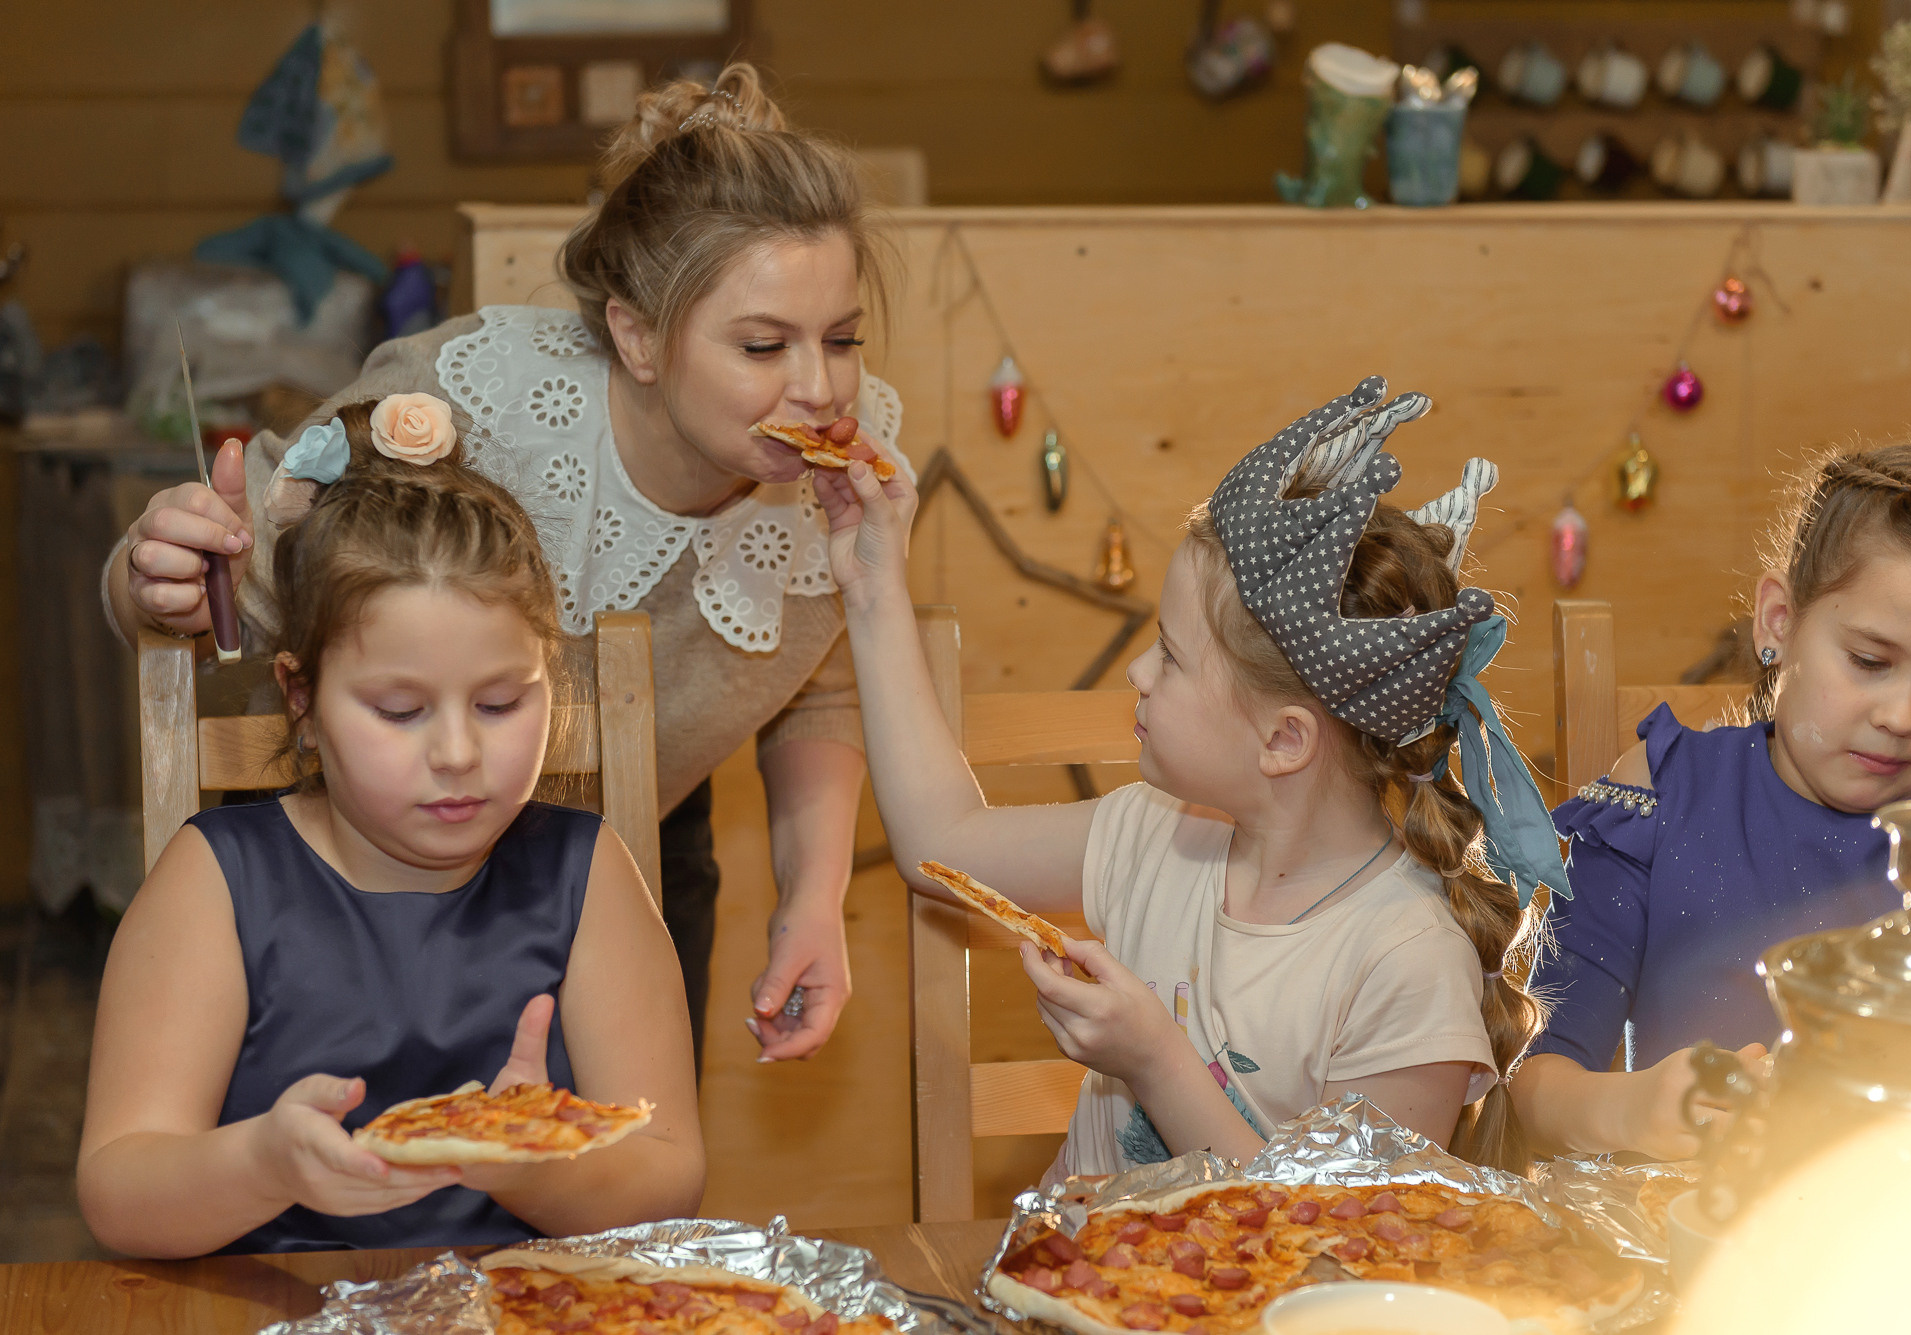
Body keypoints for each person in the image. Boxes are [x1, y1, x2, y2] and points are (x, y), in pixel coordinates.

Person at [100, 64, 905, 1069]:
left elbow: (816, 689)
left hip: (630, 869)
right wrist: (158, 573)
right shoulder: (464, 401)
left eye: (842, 338)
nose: (819, 386)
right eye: (760, 345)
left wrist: (811, 899)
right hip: (355, 877)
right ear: (637, 336)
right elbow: (224, 579)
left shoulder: (854, 467)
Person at [822, 377, 1570, 1174]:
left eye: (1172, 657)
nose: (1139, 673)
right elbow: (939, 844)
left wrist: (1154, 1059)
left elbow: (1346, 1246)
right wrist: (872, 591)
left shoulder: (1407, 960)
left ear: (1284, 740)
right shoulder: (1157, 833)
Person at [77, 398, 703, 1256]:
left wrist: (526, 1164)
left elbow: (669, 1174)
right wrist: (265, 1166)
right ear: (301, 699)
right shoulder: (217, 881)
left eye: (499, 701)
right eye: (400, 710)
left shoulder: (586, 871)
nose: (457, 752)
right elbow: (119, 1189)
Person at [1512, 442, 1911, 1161]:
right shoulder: (1659, 795)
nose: (1902, 715)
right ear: (1778, 622)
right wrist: (1633, 1109)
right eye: (1870, 661)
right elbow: (1533, 1086)